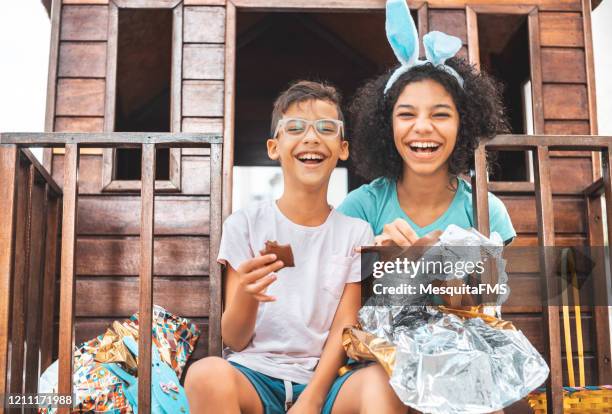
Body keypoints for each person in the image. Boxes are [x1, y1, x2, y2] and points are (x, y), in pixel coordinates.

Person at [329, 1, 516, 412]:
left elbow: (488, 316)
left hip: (456, 363)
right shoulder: (360, 207)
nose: (423, 128)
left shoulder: (487, 211)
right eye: (407, 114)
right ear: (387, 125)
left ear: (463, 125)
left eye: (441, 114)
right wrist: (379, 262)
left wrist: (451, 280)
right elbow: (341, 315)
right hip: (374, 369)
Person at [184, 80, 375, 414]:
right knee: (205, 375)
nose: (311, 137)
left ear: (343, 148)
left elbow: (345, 328)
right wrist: (247, 292)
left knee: (379, 383)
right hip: (254, 376)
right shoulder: (244, 225)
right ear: (274, 147)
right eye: (296, 127)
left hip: (326, 382)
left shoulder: (356, 233)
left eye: (326, 128)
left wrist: (313, 399)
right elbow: (235, 338)